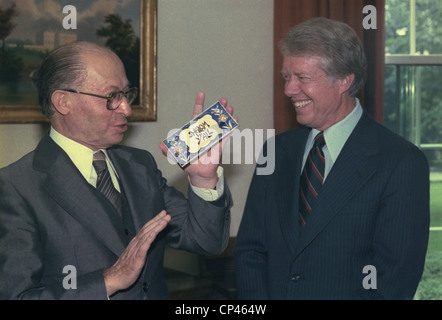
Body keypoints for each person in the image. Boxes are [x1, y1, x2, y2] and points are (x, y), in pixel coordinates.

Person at [0, 41, 234, 300]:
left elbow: (206, 242)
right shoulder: (15, 187)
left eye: (126, 94)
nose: (127, 109)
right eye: (112, 97)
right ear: (63, 102)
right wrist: (109, 280)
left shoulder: (139, 165)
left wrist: (203, 180)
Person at [234, 17, 430, 300]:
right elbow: (251, 250)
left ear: (344, 81)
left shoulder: (400, 162)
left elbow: (393, 281)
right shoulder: (274, 151)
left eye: (302, 78)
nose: (289, 90)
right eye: (286, 77)